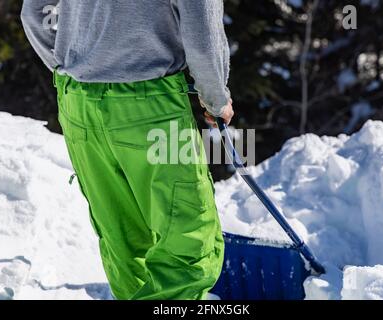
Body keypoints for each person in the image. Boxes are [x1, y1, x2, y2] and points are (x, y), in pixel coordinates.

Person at [21, 0, 234, 300]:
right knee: (186, 243)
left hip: (78, 106)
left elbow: (35, 12)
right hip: (150, 107)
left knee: (123, 239)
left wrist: (70, 66)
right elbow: (200, 23)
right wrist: (215, 95)